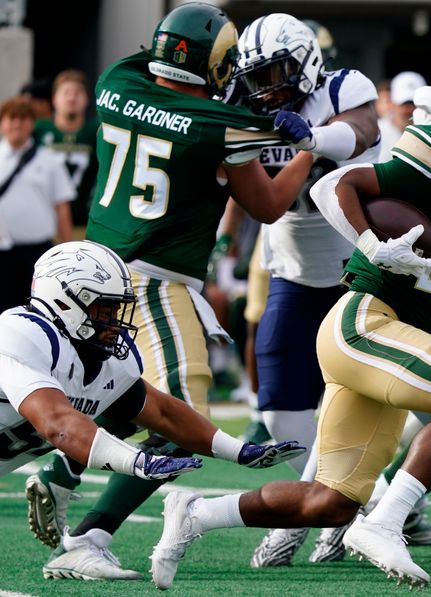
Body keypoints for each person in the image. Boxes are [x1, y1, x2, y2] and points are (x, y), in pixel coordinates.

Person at [148, 65, 431, 590]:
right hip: (366, 319)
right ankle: (386, 523)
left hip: (389, 339)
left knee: (329, 501)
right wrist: (372, 244)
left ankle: (195, 512)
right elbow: (333, 184)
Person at [25, 1, 314, 580]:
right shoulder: (224, 127)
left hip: (91, 268)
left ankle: (61, 475)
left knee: (131, 395)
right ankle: (89, 537)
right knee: (185, 416)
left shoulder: (114, 83)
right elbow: (268, 203)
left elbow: (164, 72)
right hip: (153, 281)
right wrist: (306, 150)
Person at [5, 241, 305, 580]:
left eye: (117, 310)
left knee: (128, 408)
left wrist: (240, 451)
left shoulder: (99, 357)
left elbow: (161, 412)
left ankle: (68, 498)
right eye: (104, 309)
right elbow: (58, 425)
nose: (114, 322)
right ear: (63, 302)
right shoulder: (21, 334)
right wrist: (140, 462)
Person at [230, 12, 382, 566]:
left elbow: (360, 132)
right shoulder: (247, 108)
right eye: (259, 76)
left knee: (359, 396)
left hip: (358, 264)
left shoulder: (343, 88)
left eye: (280, 71)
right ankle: (333, 501)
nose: (269, 86)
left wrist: (311, 138)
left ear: (309, 60)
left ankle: (326, 508)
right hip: (291, 268)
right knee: (278, 410)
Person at [0, 95, 75, 313]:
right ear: (3, 122)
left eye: (23, 119)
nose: (17, 124)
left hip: (38, 252)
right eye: (12, 118)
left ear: (31, 124)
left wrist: (67, 252)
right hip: (2, 251)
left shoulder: (49, 160)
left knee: (37, 310)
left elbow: (62, 208)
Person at [33, 69, 100, 239]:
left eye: (78, 92)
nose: (71, 97)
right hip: (44, 223)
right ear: (54, 99)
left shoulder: (97, 131)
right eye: (66, 92)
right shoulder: (39, 130)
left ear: (87, 99)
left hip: (84, 222)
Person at [377, 71, 425, 161]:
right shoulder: (375, 132)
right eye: (403, 103)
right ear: (392, 102)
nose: (408, 109)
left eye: (413, 103)